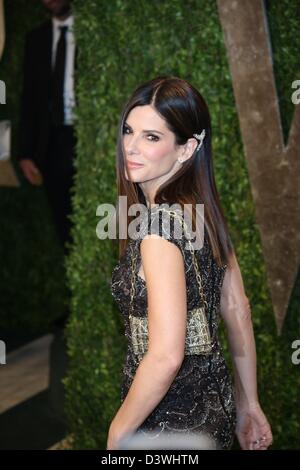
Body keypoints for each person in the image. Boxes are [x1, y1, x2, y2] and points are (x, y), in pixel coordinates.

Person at [109, 76, 273, 450]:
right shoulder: (203, 212)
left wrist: (118, 432)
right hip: (216, 409)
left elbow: (166, 356)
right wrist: (249, 403)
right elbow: (237, 309)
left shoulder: (156, 231)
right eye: (129, 131)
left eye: (152, 137)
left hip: (164, 423)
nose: (131, 147)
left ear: (186, 148)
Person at [18, 0, 77, 252]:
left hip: (84, 136)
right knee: (64, 226)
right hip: (51, 143)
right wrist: (25, 153)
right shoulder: (36, 39)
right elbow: (29, 99)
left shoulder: (92, 31)